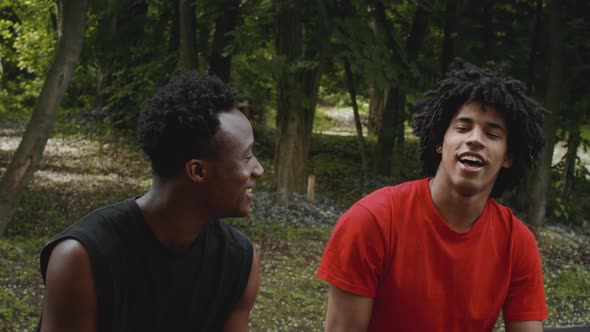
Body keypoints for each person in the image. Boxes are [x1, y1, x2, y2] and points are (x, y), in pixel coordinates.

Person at [316, 60, 548, 332]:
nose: (475, 139)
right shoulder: (372, 221)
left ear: (508, 157)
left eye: (492, 133)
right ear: (440, 141)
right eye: (462, 128)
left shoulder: (517, 243)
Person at [38, 73, 264, 332]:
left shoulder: (239, 261)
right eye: (247, 157)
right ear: (197, 171)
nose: (258, 169)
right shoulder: (82, 258)